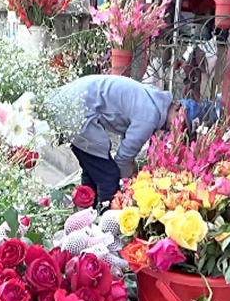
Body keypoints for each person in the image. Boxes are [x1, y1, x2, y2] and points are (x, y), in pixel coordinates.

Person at [48, 75, 217, 207]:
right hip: (75, 111)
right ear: (177, 106)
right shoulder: (150, 116)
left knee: (95, 171)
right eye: (180, 124)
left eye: (183, 131)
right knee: (109, 176)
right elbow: (123, 159)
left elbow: (127, 139)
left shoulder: (154, 98)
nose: (177, 131)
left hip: (72, 103)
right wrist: (134, 184)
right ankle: (106, 226)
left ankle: (85, 217)